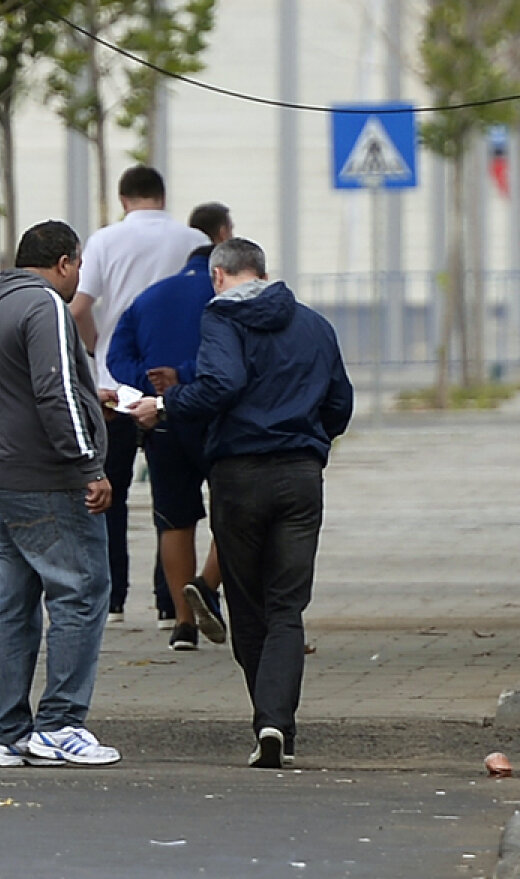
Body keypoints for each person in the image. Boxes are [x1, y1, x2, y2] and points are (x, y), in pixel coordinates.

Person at [133, 238, 353, 769]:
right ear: (262, 271)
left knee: (249, 607)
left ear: (218, 277)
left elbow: (221, 383)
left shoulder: (222, 319)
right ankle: (278, 721)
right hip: (300, 477)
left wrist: (165, 406)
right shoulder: (314, 325)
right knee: (287, 606)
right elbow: (340, 404)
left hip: (238, 476)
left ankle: (267, 720)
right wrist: (310, 441)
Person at [0, 220, 121, 768]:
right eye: (78, 266)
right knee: (81, 590)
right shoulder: (46, 306)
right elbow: (53, 391)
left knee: (10, 605)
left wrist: (85, 393)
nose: (79, 276)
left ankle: (8, 733)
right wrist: (89, 466)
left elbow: (24, 388)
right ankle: (60, 723)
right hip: (46, 480)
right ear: (64, 262)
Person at [70, 166, 208, 628]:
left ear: (124, 198)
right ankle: (171, 605)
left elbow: (80, 307)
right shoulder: (190, 239)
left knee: (112, 488)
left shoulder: (106, 240)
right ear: (162, 196)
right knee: (173, 495)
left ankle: (112, 599)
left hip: (116, 381)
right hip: (174, 385)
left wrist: (94, 350)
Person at [106, 201, 235, 650]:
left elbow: (116, 357)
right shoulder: (228, 297)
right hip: (222, 420)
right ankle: (207, 586)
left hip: (164, 421)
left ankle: (183, 623)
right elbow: (241, 360)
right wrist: (186, 374)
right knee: (233, 516)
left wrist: (153, 386)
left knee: (174, 520)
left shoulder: (150, 296)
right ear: (222, 241)